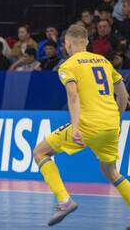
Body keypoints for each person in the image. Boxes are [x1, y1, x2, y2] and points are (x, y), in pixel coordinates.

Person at [33, 25, 130, 226]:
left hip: (87, 125)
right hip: (111, 126)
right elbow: (123, 95)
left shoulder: (68, 65)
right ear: (86, 42)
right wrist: (117, 117)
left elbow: (73, 96)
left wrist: (75, 127)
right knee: (112, 172)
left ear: (67, 44)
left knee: (40, 152)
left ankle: (64, 201)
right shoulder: (104, 61)